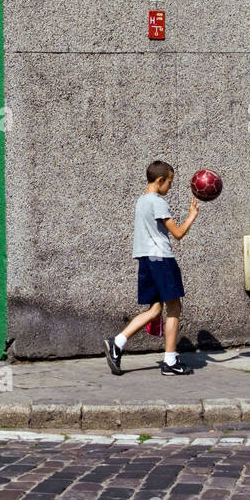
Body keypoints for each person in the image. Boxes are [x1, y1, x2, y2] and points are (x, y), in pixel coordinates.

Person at [104, 159, 199, 377]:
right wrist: (192, 216)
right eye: (170, 182)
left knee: (155, 310)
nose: (171, 186)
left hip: (146, 259)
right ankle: (170, 360)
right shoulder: (157, 202)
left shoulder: (141, 201)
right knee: (174, 308)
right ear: (160, 180)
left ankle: (117, 342)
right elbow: (178, 233)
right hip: (161, 259)